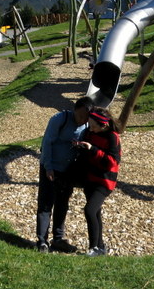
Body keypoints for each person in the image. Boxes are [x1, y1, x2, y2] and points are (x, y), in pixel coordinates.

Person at [35, 96, 92, 254]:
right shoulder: (59, 119)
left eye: (86, 117)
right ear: (74, 109)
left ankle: (58, 239)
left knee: (62, 204)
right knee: (46, 204)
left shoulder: (88, 125)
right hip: (51, 167)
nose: (82, 120)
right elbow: (47, 143)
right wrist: (48, 167)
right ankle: (42, 241)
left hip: (68, 171)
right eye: (80, 116)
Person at [74, 108, 122, 257]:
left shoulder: (113, 137)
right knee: (95, 212)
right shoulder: (91, 133)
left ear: (104, 125)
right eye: (90, 125)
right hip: (89, 178)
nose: (91, 129)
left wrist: (92, 149)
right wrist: (81, 147)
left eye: (94, 126)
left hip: (104, 181)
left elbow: (112, 162)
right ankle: (100, 247)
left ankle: (94, 247)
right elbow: (89, 154)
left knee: (89, 210)